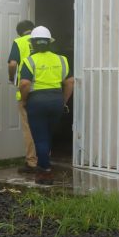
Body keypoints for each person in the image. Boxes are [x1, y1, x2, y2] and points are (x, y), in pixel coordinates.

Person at [18, 26, 74, 185]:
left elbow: (24, 84)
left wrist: (24, 100)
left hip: (37, 101)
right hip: (56, 99)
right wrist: (63, 100)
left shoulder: (29, 61)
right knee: (47, 136)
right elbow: (70, 82)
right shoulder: (61, 59)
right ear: (49, 43)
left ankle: (44, 171)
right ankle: (45, 166)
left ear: (33, 44)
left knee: (40, 138)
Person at [7, 19, 37, 174]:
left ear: (19, 32)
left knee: (28, 128)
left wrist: (11, 78)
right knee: (43, 126)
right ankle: (45, 158)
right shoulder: (42, 41)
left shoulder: (19, 42)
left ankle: (32, 162)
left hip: (26, 90)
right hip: (46, 90)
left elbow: (12, 64)